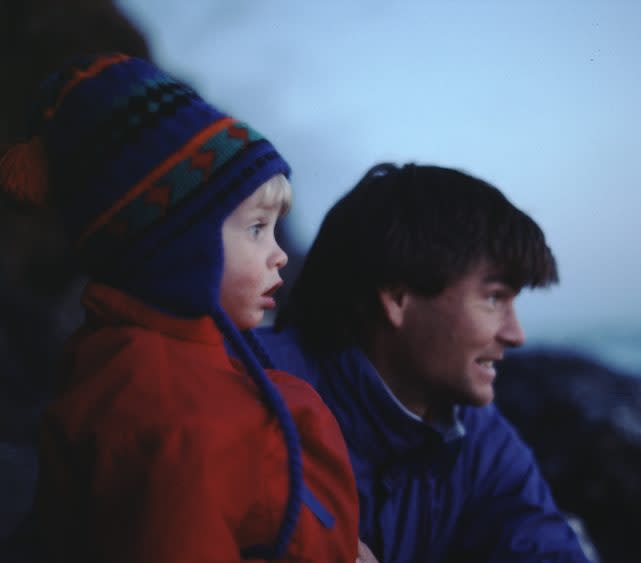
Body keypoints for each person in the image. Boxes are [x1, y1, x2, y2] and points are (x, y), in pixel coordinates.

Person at [0, 53, 360, 562]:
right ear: (176, 244)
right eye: (257, 228)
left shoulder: (176, 360)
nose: (280, 254)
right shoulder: (171, 415)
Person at [260, 163, 592, 562]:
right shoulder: (251, 395)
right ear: (398, 298)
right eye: (494, 298)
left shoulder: (476, 435)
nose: (515, 334)